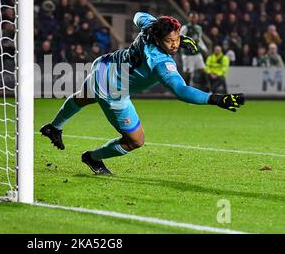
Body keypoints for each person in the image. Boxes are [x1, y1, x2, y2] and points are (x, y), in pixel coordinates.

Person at [40, 12, 245, 175]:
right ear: (158, 38)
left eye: (176, 38)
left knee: (82, 98)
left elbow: (139, 14)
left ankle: (54, 126)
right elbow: (181, 91)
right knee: (135, 141)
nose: (174, 44)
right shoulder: (160, 62)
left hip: (105, 65)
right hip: (113, 90)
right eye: (169, 41)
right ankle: (92, 157)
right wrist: (216, 99)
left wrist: (178, 38)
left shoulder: (150, 26)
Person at [180, 12, 208, 88]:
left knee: (202, 70)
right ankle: (185, 90)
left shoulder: (199, 28)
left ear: (197, 18)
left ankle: (206, 89)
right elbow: (180, 38)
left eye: (195, 17)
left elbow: (199, 40)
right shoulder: (185, 28)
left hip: (197, 53)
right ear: (189, 18)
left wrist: (204, 48)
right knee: (188, 73)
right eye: (192, 17)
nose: (193, 19)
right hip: (188, 54)